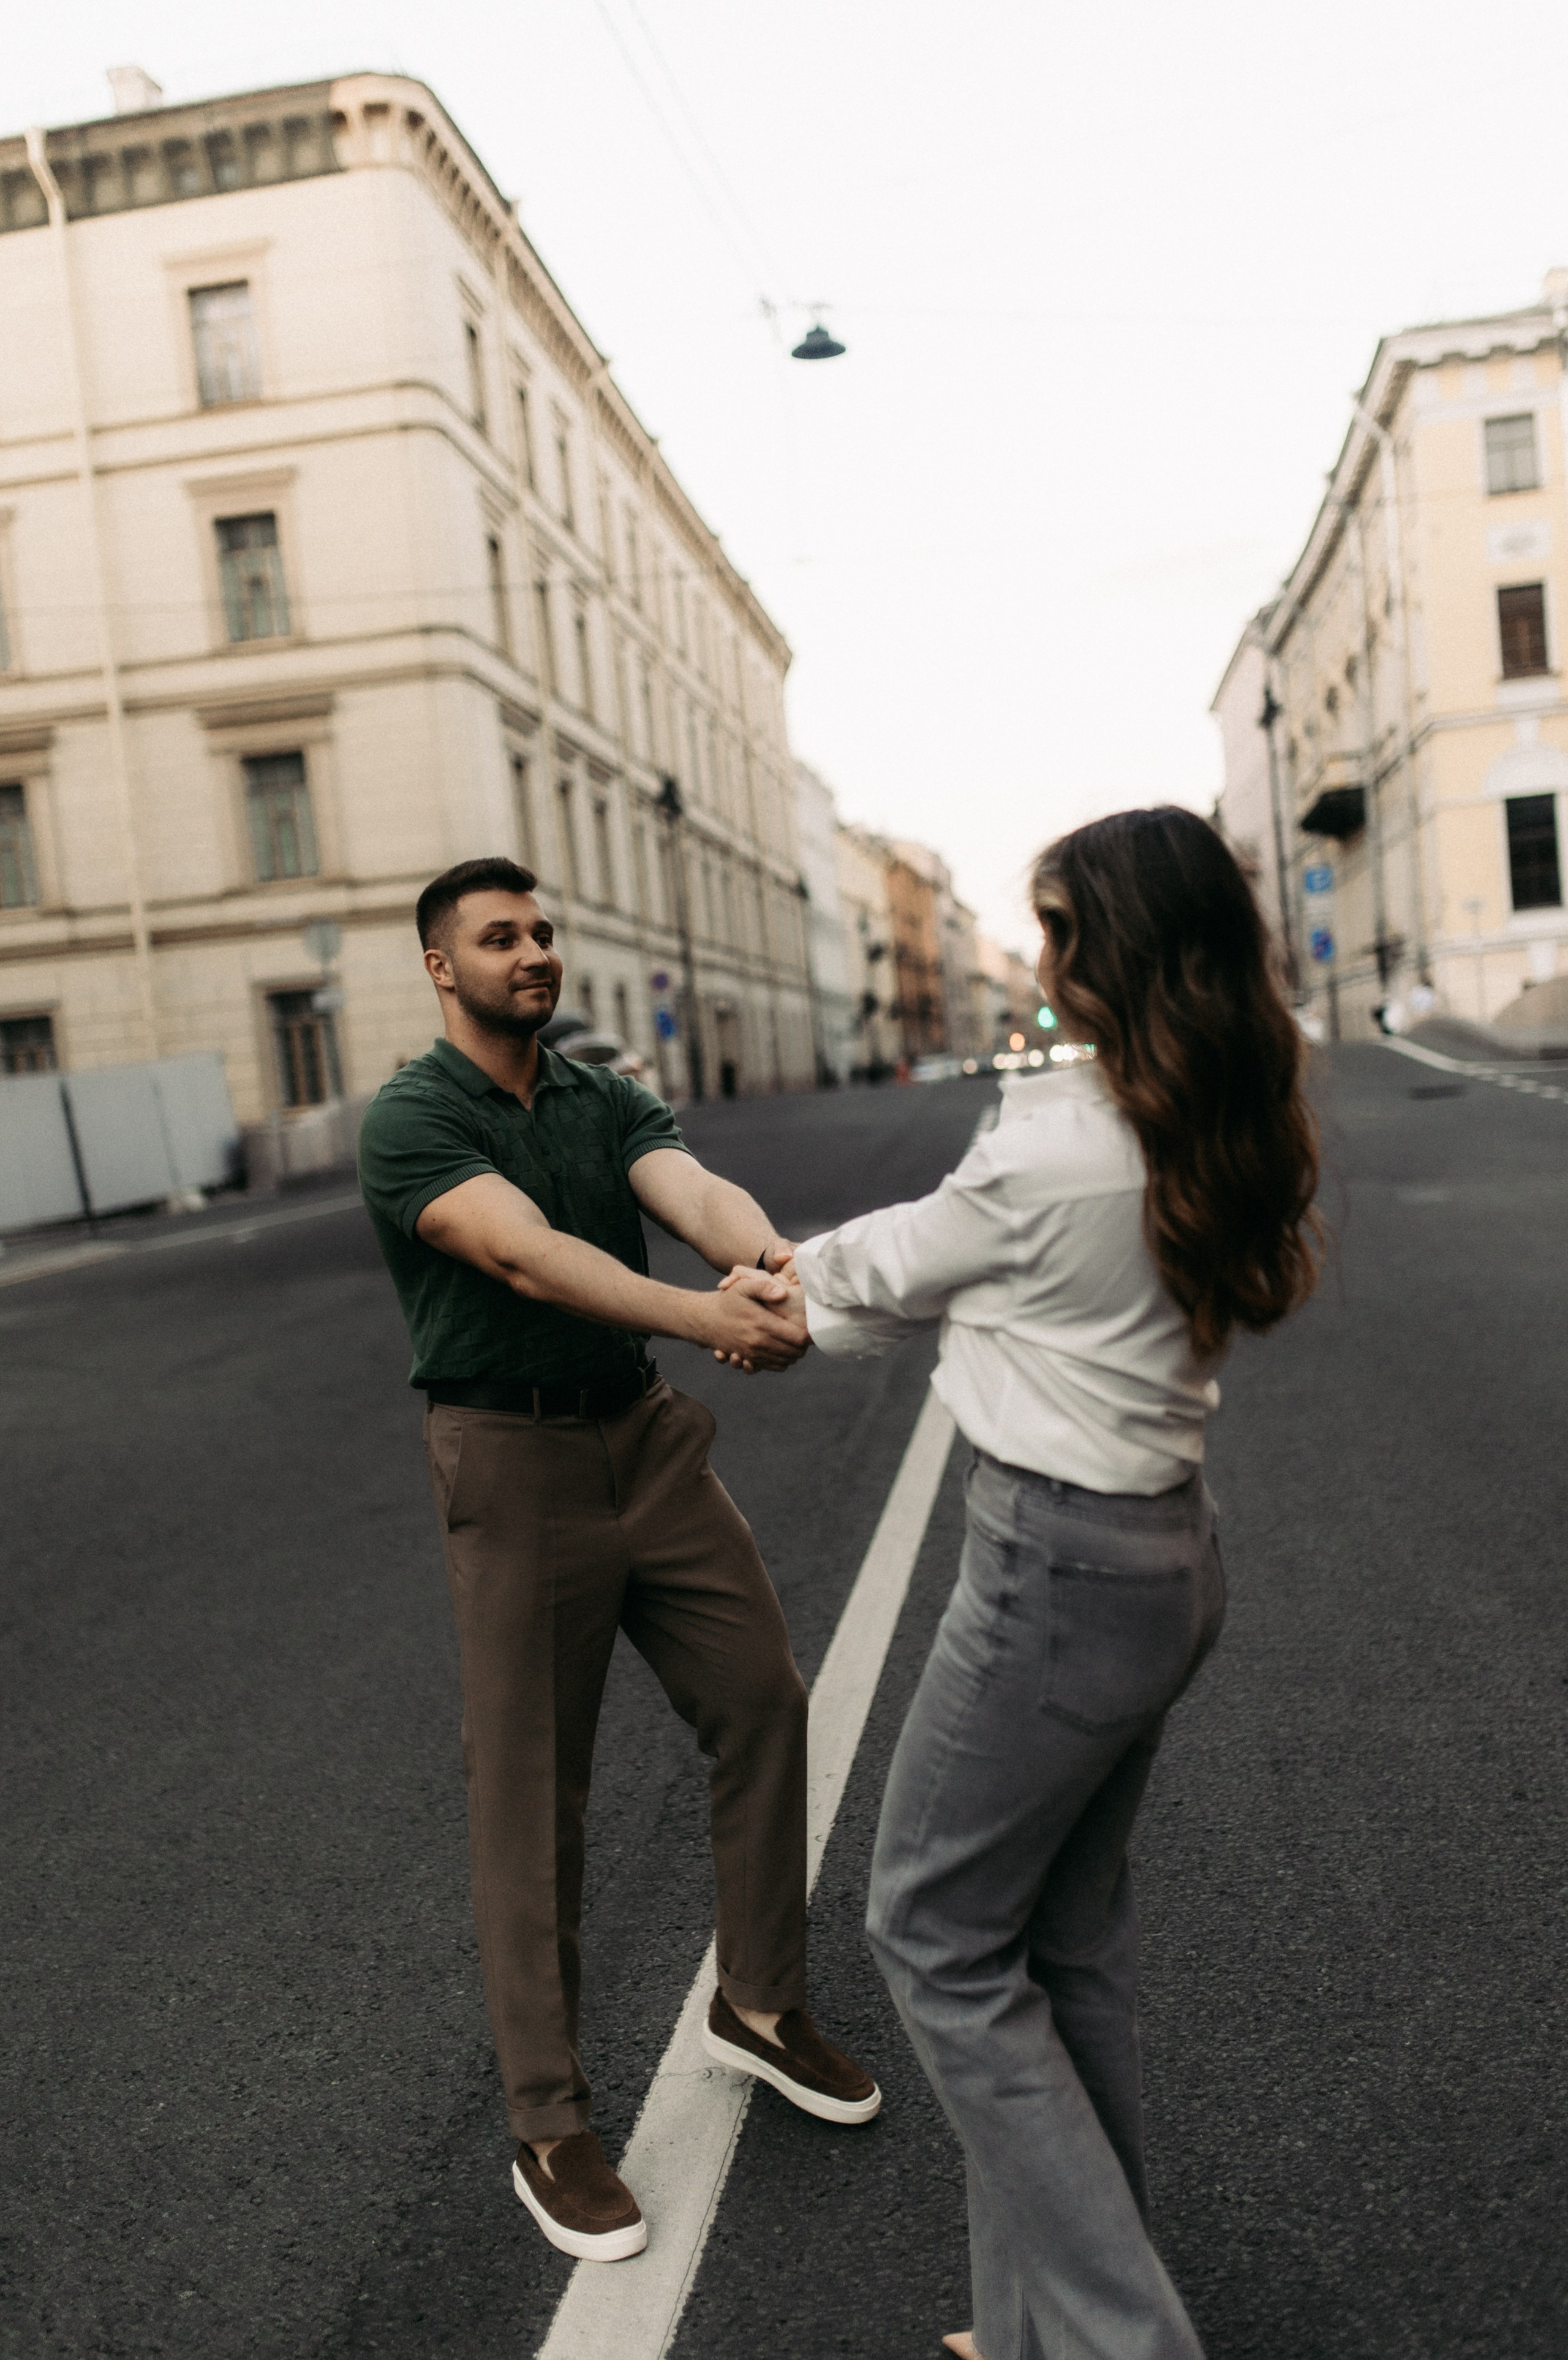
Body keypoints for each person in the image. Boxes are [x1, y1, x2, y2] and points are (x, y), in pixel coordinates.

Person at [778, 807, 1321, 2359]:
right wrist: (819, 1294)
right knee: (1060, 1942)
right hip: (1161, 1560)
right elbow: (948, 1292)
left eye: (1060, 929)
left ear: (1115, 952)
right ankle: (1034, 2331)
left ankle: (1116, 2342)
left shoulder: (1055, 1151)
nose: (1041, 958)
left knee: (933, 1936)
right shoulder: (1212, 1109)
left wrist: (763, 1287)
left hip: (1054, 1574)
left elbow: (885, 1268)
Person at [357, 857, 880, 2267]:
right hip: (514, 1464)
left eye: (541, 929)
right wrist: (703, 1316)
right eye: (497, 938)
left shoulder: (597, 1097)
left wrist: (769, 1267)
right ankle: (550, 2123)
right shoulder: (412, 1119)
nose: (531, 953)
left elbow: (686, 1186)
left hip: (644, 1444)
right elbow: (520, 1258)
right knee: (533, 1793)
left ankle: (757, 2007)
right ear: (438, 966)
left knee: (762, 1699)